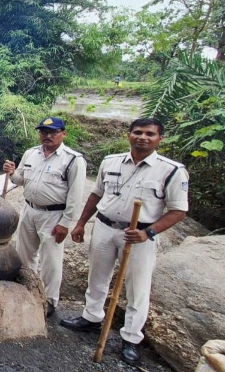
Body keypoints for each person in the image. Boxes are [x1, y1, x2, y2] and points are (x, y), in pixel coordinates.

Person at [60, 118, 189, 366]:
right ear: (129, 135)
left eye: (149, 134)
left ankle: (131, 338)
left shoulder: (171, 170)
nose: (143, 137)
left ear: (159, 139)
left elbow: (178, 210)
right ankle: (91, 317)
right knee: (97, 276)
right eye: (138, 132)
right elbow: (97, 194)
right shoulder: (111, 161)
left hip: (138, 235)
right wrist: (81, 223)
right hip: (105, 227)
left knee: (137, 287)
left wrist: (148, 233)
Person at [2, 117, 86, 317]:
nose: (47, 136)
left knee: (51, 259)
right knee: (24, 253)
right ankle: (25, 291)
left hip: (54, 214)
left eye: (53, 132)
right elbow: (20, 179)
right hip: (29, 209)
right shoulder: (31, 153)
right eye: (43, 132)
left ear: (63, 134)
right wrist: (12, 172)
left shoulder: (73, 160)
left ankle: (48, 300)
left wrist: (65, 223)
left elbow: (75, 196)